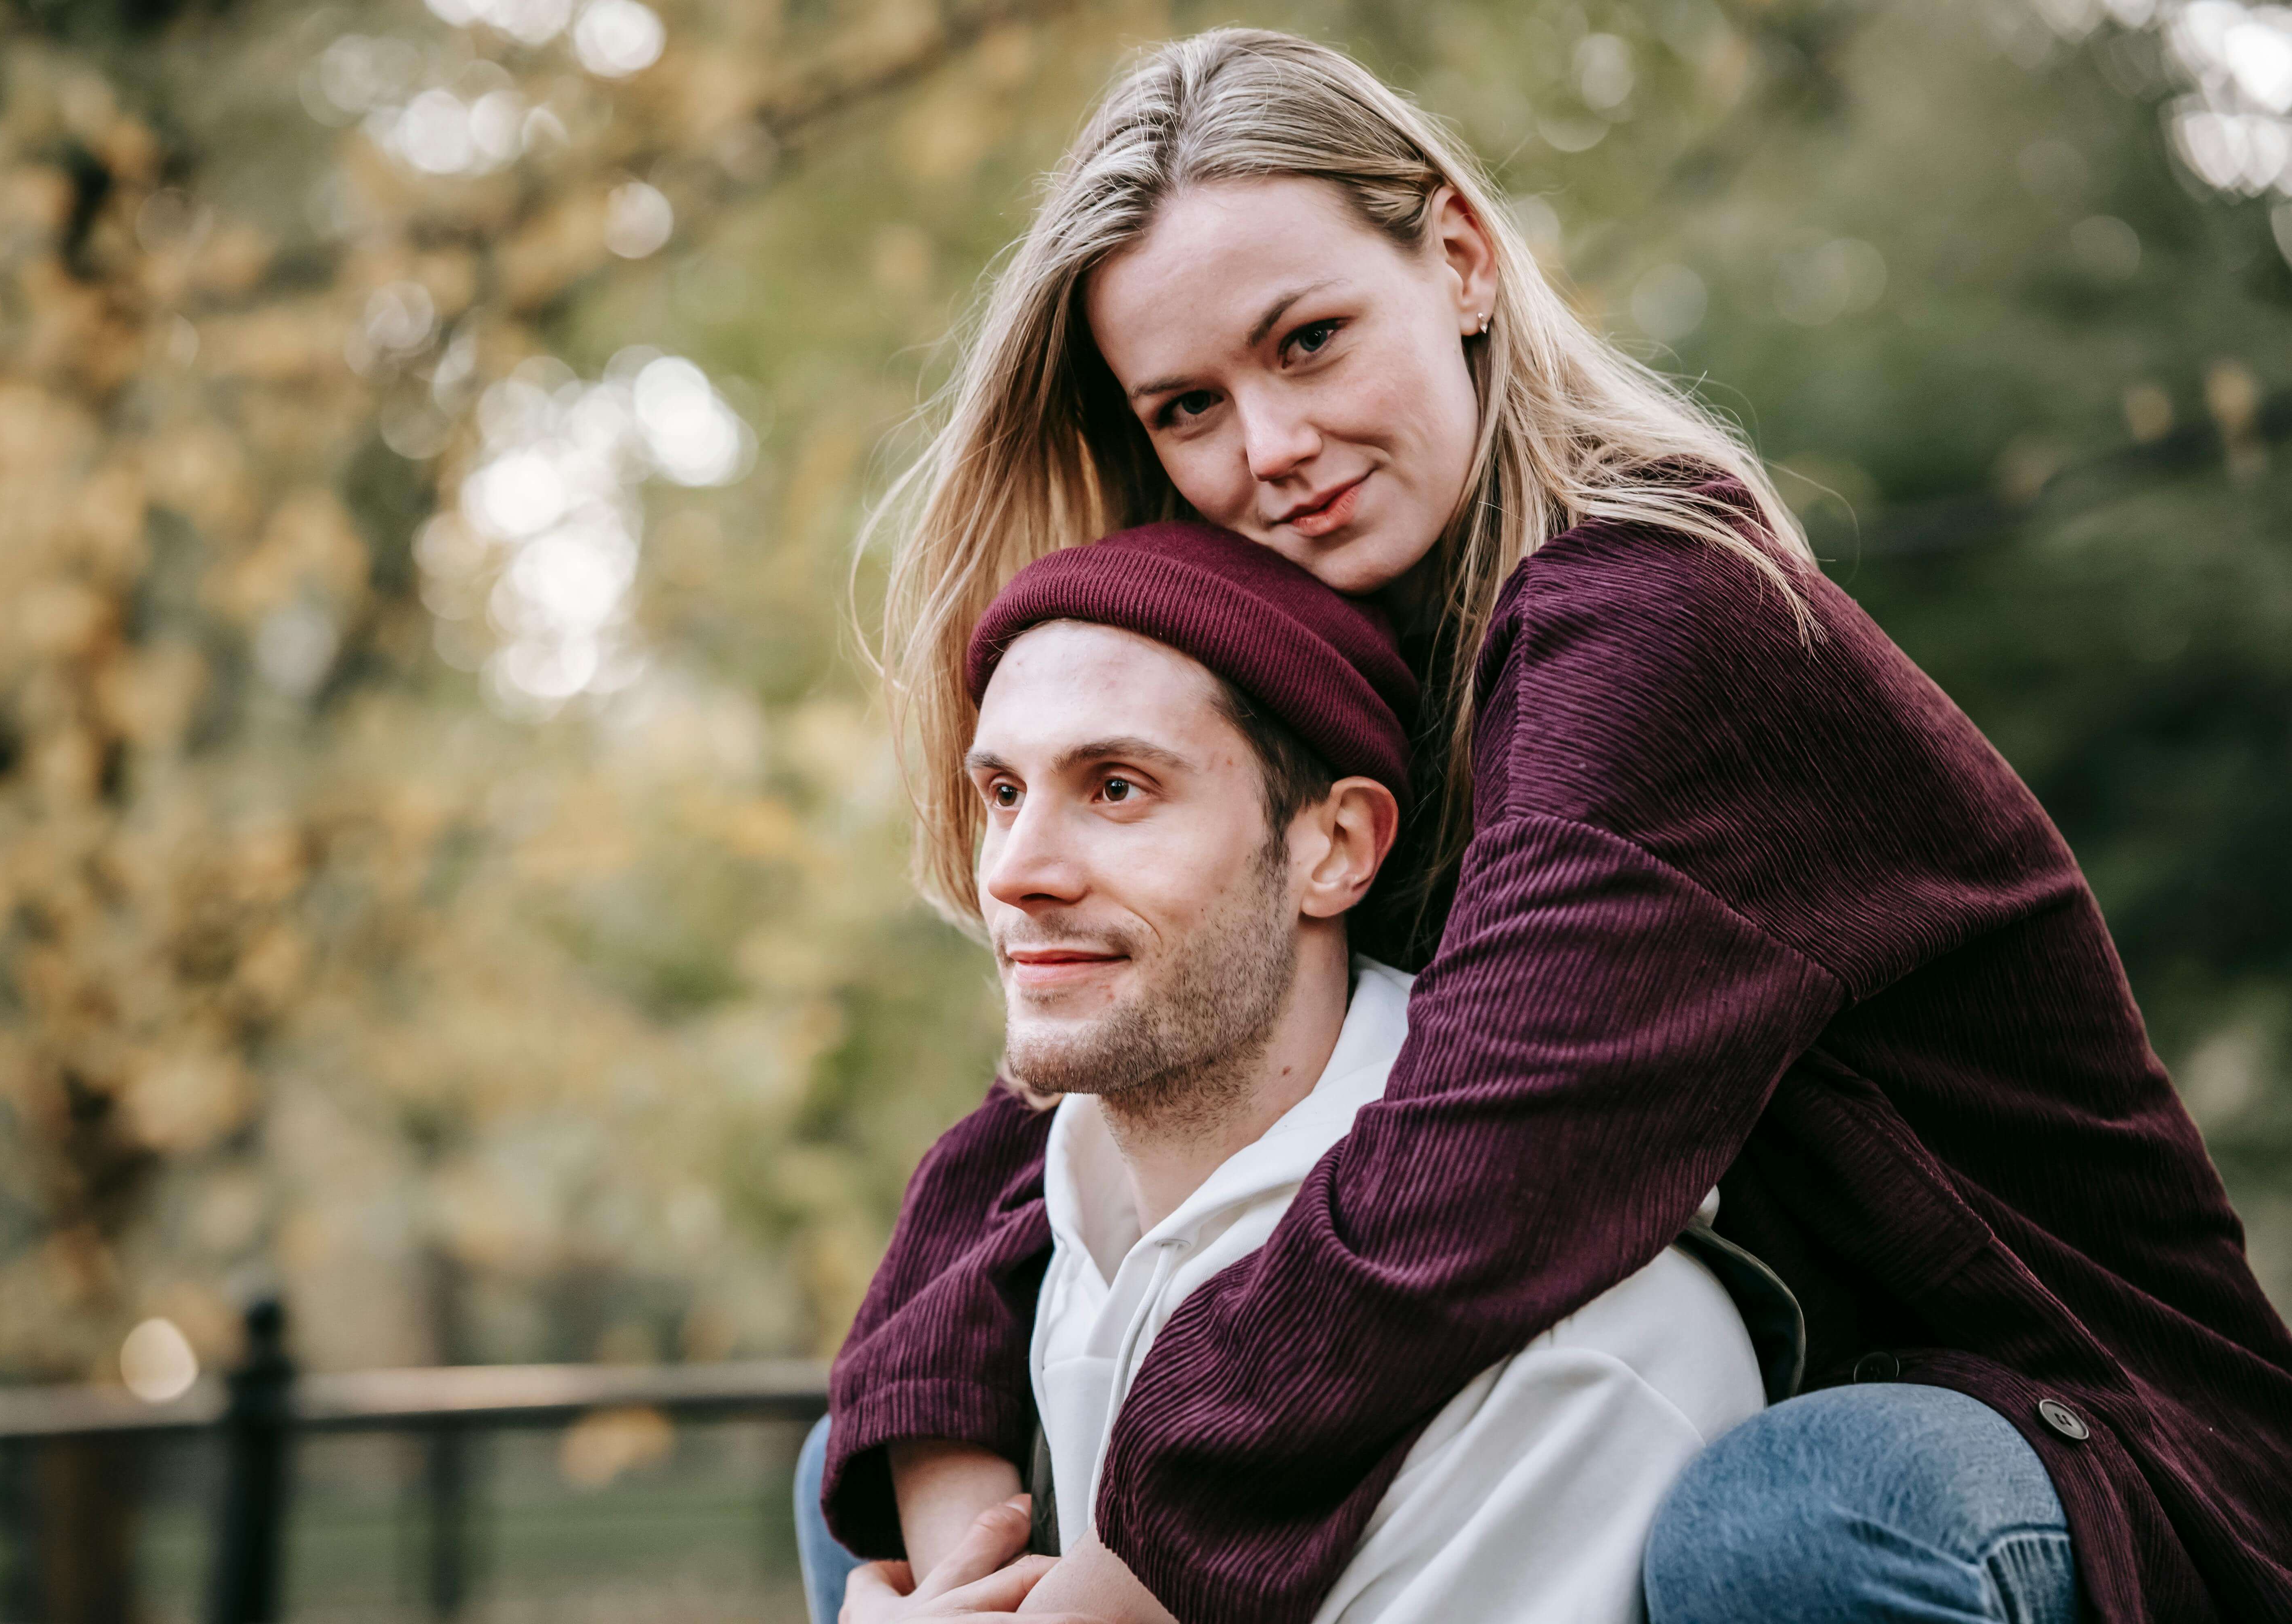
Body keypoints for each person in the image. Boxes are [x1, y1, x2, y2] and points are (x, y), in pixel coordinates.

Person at [808, 26, 2292, 1624]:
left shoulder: (1663, 623)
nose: (1271, 449)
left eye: (1308, 341)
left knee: (1787, 1523)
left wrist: (1113, 1586)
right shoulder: (1348, 667)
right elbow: (1034, 1124)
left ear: (1456, 257)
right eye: (1187, 407)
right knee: (877, 1453)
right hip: (1712, 1364)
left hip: (2049, 1440)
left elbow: (1466, 1188)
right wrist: (956, 1538)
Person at [819, 520, 1769, 1624]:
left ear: (1335, 849)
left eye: (1118, 788)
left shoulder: (1576, 1353)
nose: (1020, 873)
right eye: (1003, 796)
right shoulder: (1034, 1249)